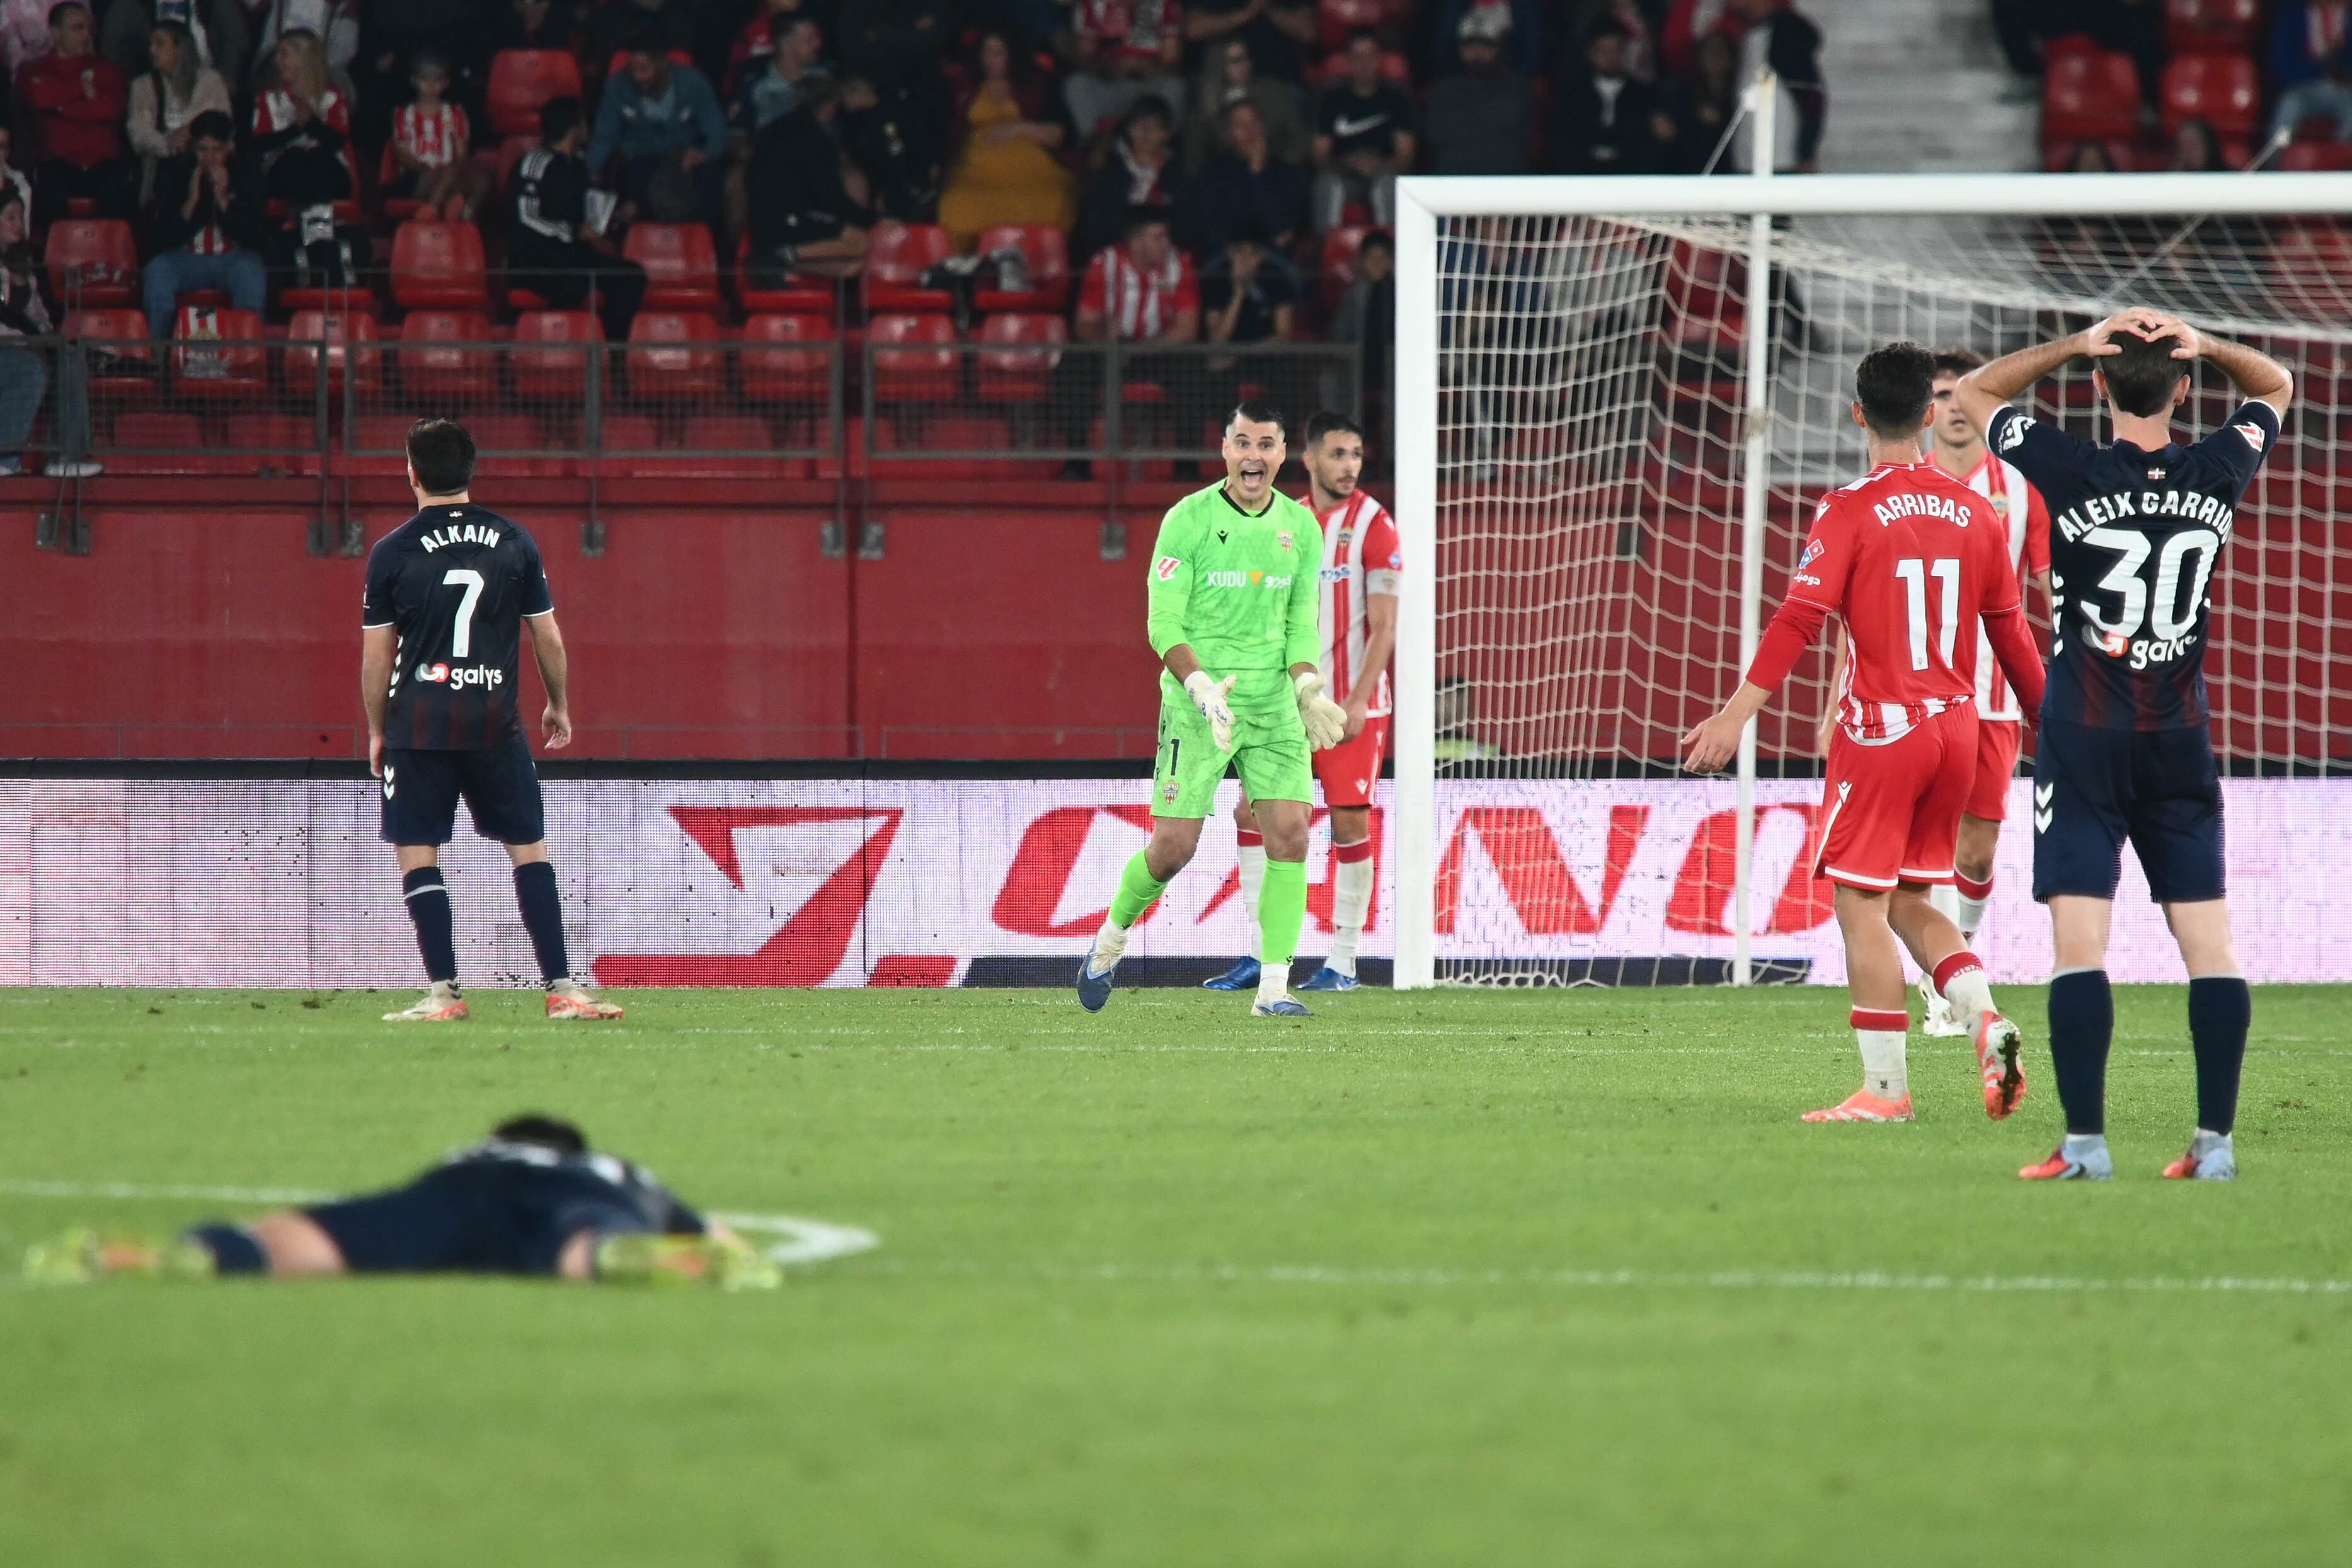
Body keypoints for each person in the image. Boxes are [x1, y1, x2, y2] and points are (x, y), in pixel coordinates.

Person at [1955, 310, 2292, 1182]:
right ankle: (2213, 1145)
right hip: (2180, 737)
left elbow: (1974, 392)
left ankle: (2086, 1147)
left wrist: (2074, 343)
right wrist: (2210, 346)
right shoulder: (2219, 464)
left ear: (2098, 386)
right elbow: (2275, 386)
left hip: (2086, 737)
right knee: (2210, 947)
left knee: (2080, 947)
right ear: (2182, 389)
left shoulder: (2068, 466)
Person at [1684, 342, 2046, 1126]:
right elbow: (2012, 633)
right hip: (1958, 726)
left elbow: (1799, 620)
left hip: (1883, 731)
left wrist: (1734, 716)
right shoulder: (1979, 512)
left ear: (1856, 414)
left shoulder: (1845, 509)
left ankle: (1885, 1094)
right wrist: (2048, 719)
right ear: (1927, 413)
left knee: (1861, 906)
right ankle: (1986, 1017)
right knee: (1915, 897)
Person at [1078, 401, 1347, 1018]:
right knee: (1174, 847)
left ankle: (1273, 989)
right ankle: (1108, 943)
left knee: (1291, 833)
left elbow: (1300, 623)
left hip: (1273, 703)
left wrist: (1308, 686)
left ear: (1284, 455)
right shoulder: (1187, 520)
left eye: (1268, 444)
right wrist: (1197, 684)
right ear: (1225, 448)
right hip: (1199, 703)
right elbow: (1161, 620)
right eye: (1243, 442)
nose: (1254, 456)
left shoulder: (1301, 529)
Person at [362, 418, 625, 1025]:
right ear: (470, 471)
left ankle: (445, 994)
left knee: (418, 852)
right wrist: (558, 704)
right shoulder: (513, 540)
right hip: (494, 721)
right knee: (528, 849)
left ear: (412, 472)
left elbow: (377, 655)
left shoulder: (392, 551)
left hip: (419, 723)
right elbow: (548, 635)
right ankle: (562, 988)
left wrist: (378, 727)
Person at [1819, 348, 2050, 1036]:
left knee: (1967, 854)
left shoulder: (2011, 488)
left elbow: (2039, 593)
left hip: (1985, 700)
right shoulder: (1883, 498)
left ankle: (1914, 1042)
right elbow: (1852, 610)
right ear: (1927, 411)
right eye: (1943, 395)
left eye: (1963, 395)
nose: (1953, 407)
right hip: (1924, 708)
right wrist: (1835, 694)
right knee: (1915, 878)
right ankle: (1950, 990)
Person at [24, 1115, 779, 1289]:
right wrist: (730, 1251)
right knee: (582, 1246)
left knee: (301, 1242)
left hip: (445, 1196)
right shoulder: (610, 1171)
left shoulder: (476, 1156)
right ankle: (634, 1257)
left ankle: (161, 1253)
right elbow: (721, 1231)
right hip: (573, 1204)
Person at [1205, 412, 1396, 993]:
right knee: (1249, 814)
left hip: (1349, 705)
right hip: (1285, 702)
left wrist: (1359, 700)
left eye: (1356, 455)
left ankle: (1342, 960)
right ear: (1308, 460)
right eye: (1337, 455)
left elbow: (1384, 626)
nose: (1349, 466)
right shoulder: (1281, 521)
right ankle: (1260, 954)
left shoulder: (1375, 524)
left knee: (1346, 822)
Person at [1057, 205, 1199, 469]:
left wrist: (1145, 350)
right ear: (1137, 241)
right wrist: (1105, 340)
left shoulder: (1180, 264)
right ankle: (1077, 462)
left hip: (1158, 350)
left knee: (1192, 371)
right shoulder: (1105, 264)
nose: (1167, 244)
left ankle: (1187, 466)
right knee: (1072, 367)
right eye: (1159, 237)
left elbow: (1187, 328)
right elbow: (1084, 324)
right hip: (1112, 350)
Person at [510, 99, 648, 348]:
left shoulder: (579, 165)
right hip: (536, 259)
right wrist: (573, 232)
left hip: (573, 256)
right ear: (575, 127)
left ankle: (614, 352)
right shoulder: (534, 163)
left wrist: (614, 218)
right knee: (572, 287)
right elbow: (526, 216)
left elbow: (588, 216)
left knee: (630, 276)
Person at [935, 30, 1074, 249]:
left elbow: (1061, 133)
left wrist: (1017, 129)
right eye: (986, 53)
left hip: (1033, 170)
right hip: (976, 171)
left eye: (998, 53)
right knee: (956, 201)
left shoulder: (1038, 83)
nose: (990, 60)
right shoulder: (962, 85)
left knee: (1050, 198)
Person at [141, 110, 267, 336]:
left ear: (229, 146)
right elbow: (160, 237)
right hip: (186, 259)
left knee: (252, 274)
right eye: (202, 150)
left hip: (233, 259)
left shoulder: (247, 172)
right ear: (193, 147)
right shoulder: (175, 171)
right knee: (157, 271)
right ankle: (158, 360)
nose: (209, 158)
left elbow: (256, 236)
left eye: (217, 150)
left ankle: (247, 360)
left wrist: (223, 199)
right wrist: (191, 202)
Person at [0, 186, 98, 477]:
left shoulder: (26, 266)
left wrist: (47, 339)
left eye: (20, 218)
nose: (18, 224)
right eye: (10, 217)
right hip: (9, 350)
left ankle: (66, 458)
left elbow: (39, 319)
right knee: (29, 368)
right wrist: (24, 343)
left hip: (22, 346)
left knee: (68, 356)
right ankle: (5, 459)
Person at [585, 31, 728, 224]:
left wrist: (704, 154)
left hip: (684, 158)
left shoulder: (693, 83)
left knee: (710, 183)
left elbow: (717, 132)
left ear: (663, 64)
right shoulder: (618, 86)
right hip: (640, 159)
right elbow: (604, 137)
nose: (637, 76)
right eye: (633, 69)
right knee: (632, 185)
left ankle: (702, 243)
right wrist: (589, 172)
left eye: (644, 69)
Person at [744, 76, 874, 280]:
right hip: (788, 221)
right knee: (861, 242)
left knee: (850, 266)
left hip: (760, 222)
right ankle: (779, 254)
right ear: (829, 106)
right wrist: (871, 219)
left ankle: (776, 264)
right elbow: (831, 197)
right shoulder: (816, 139)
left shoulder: (771, 130)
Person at [17, 1, 132, 226]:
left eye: (88, 28)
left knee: (118, 186)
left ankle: (113, 260)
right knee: (49, 186)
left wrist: (62, 108)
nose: (86, 35)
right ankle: (52, 260)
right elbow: (39, 97)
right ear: (55, 32)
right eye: (78, 28)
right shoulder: (32, 69)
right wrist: (82, 88)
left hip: (104, 163)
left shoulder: (106, 70)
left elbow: (110, 109)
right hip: (58, 162)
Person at [1309, 31, 1411, 232]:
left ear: (1380, 59)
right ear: (1348, 61)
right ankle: (1328, 253)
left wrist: (1379, 165)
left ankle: (1388, 254)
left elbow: (1406, 156)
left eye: (1370, 56)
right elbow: (1320, 157)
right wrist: (1348, 165)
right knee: (1327, 185)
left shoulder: (1397, 97)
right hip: (1343, 176)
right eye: (1357, 57)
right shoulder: (1331, 98)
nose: (1364, 63)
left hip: (1385, 174)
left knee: (1387, 185)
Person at [125, 20, 231, 210]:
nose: (152, 50)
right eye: (151, 44)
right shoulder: (142, 86)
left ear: (179, 48)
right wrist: (170, 144)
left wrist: (192, 132)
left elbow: (224, 124)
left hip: (208, 161)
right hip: (163, 165)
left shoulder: (211, 82)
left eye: (160, 43)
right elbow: (138, 135)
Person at [1073, 93, 1187, 262]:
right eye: (1138, 127)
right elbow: (1095, 227)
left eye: (1153, 128)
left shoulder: (1178, 176)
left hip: (1166, 258)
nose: (1145, 135)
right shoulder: (1110, 174)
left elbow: (1186, 227)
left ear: (1167, 133)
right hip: (1116, 257)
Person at [249, 26, 353, 208]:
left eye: (284, 54)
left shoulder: (333, 96)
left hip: (326, 171)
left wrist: (311, 123)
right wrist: (297, 128)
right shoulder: (269, 98)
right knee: (295, 158)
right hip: (282, 172)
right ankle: (299, 226)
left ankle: (318, 227)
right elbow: (260, 144)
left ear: (304, 58)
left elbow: (337, 142)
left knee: (317, 158)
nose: (277, 61)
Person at [1423, 9, 1536, 176]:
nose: (1477, 52)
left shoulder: (1518, 89)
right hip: (1454, 183)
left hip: (1506, 182)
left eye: (1486, 44)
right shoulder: (1443, 92)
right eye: (1470, 45)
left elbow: (1520, 142)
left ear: (1498, 47)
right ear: (1459, 49)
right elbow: (1438, 138)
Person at [1193, 97, 1304, 251]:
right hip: (1225, 260)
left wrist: (1258, 173)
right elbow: (1212, 229)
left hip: (1273, 261)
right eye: (1241, 126)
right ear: (1228, 134)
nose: (1250, 132)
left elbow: (1281, 227)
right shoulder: (1213, 174)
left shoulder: (1287, 173)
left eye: (1255, 123)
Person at [1184, 35, 1308, 171]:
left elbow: (1298, 138)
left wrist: (1281, 169)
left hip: (1275, 175)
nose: (1244, 65)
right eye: (1235, 61)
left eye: (1246, 59)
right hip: (1225, 181)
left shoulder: (1274, 92)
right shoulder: (1206, 107)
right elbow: (1195, 156)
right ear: (1219, 66)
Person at [388, 50, 485, 222]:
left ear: (446, 83)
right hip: (418, 176)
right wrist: (425, 169)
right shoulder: (404, 114)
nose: (432, 85)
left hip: (450, 173)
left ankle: (448, 209)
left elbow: (462, 154)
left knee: (481, 181)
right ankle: (445, 209)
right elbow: (403, 155)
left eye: (438, 79)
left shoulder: (455, 113)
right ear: (414, 81)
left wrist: (453, 169)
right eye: (425, 79)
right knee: (440, 178)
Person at [1551, 21, 1658, 175]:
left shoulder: (1642, 95)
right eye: (1603, 51)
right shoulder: (1573, 94)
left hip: (1628, 180)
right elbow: (1564, 144)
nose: (1610, 57)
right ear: (1590, 53)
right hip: (1582, 178)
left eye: (1617, 50)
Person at [100, 0, 248, 84]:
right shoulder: (130, 7)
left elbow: (236, 38)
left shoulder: (216, 3)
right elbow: (114, 46)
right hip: (154, 84)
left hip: (208, 79)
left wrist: (227, 76)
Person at [2267, 0, 2352, 139]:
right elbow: (2281, 65)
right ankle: (2272, 159)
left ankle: (2340, 158)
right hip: (2303, 88)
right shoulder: (2292, 14)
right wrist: (2319, 74)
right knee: (2288, 107)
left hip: (2346, 91)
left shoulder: (2347, 17)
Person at [1181, 0, 1314, 87]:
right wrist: (1244, 15)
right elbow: (1193, 30)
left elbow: (1308, 33)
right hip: (1219, 83)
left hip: (1277, 79)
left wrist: (1269, 11)